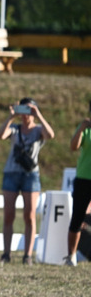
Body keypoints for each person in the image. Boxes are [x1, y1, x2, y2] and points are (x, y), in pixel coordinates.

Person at [0, 97, 55, 264]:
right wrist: (11, 117)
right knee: (9, 215)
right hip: (11, 174)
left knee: (29, 216)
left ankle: (27, 255)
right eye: (23, 111)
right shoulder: (14, 129)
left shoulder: (38, 130)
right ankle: (6, 254)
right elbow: (1, 135)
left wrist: (39, 115)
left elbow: (50, 135)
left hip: (31, 175)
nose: (25, 115)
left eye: (28, 111)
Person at [65, 100, 91, 266]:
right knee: (77, 217)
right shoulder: (86, 127)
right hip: (84, 178)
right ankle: (71, 255)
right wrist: (82, 128)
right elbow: (73, 147)